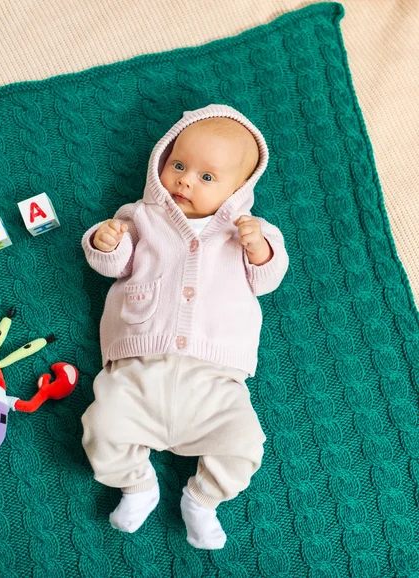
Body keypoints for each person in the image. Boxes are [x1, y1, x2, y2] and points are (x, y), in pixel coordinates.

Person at [80, 104, 289, 549]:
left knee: (244, 444)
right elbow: (112, 266)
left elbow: (267, 280)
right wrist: (105, 242)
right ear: (162, 162)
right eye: (178, 165)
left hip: (216, 378)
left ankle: (203, 499)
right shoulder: (140, 217)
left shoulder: (251, 231)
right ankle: (136, 484)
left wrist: (260, 250)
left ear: (239, 190)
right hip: (138, 365)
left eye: (207, 177)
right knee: (103, 425)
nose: (185, 180)